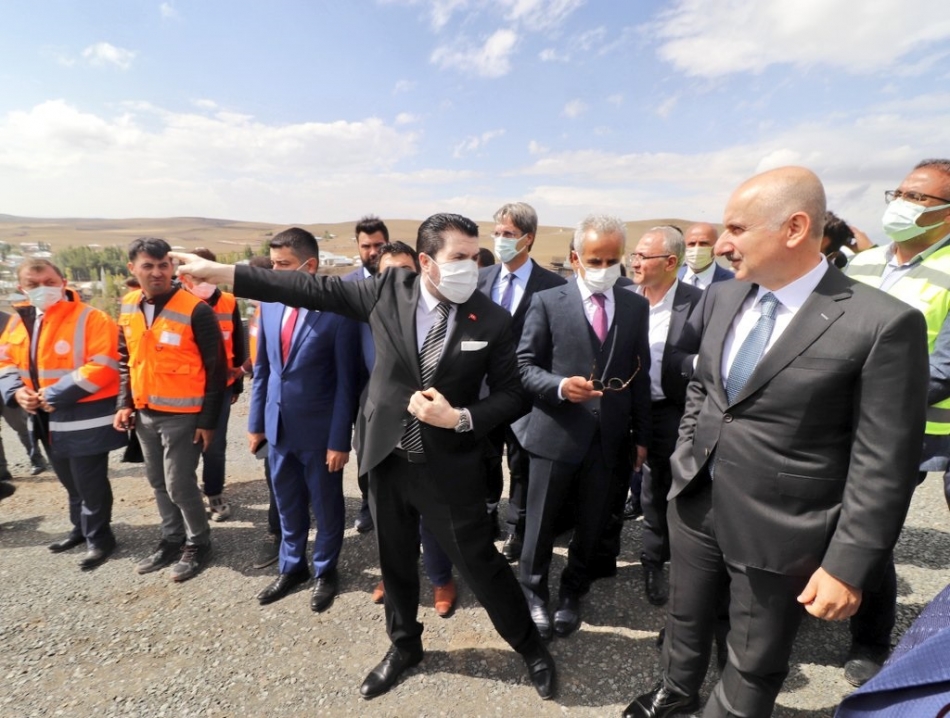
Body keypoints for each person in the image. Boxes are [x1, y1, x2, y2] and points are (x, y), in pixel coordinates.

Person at [172, 212, 556, 702]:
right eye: (457, 257)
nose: (470, 267)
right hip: (386, 459)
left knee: (480, 562)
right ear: (425, 262)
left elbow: (513, 394)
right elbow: (306, 288)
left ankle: (530, 647)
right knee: (394, 561)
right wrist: (222, 273)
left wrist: (460, 417)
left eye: (472, 256)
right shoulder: (387, 291)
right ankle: (404, 646)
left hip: (447, 465)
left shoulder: (492, 318)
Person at [624, 166, 929, 718]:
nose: (722, 244)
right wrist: (687, 454)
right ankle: (676, 690)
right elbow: (705, 388)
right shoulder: (723, 298)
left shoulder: (881, 323)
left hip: (783, 526)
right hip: (695, 501)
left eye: (737, 229)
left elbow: (883, 462)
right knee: (686, 617)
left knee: (753, 657)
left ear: (794, 228)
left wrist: (847, 566)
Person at [515, 214, 651, 640]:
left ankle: (573, 590)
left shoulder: (634, 305)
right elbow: (524, 367)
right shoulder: (547, 302)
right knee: (540, 524)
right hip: (555, 434)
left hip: (609, 439)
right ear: (575, 258)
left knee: (592, 522)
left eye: (613, 260)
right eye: (595, 260)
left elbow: (640, 374)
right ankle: (533, 592)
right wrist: (559, 387)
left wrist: (641, 436)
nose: (604, 269)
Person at [842, 158, 950, 685]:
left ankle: (870, 639)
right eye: (900, 193)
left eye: (919, 198)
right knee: (824, 518)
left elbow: (944, 368)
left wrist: (863, 398)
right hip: (839, 420)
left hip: (909, 432)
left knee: (871, 528)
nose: (903, 204)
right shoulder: (861, 264)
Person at [250, 228, 360, 611]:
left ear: (309, 267)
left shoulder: (337, 313)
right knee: (287, 502)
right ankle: (292, 566)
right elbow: (263, 370)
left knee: (326, 506)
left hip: (319, 434)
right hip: (278, 429)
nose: (274, 272)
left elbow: (346, 383)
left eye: (283, 265)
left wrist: (339, 441)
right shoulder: (269, 305)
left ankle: (325, 571)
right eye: (273, 264)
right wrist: (256, 423)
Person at [0, 259, 126, 569]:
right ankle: (80, 529)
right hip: (43, 418)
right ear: (22, 288)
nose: (42, 289)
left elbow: (104, 364)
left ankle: (100, 538)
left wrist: (53, 394)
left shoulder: (91, 318)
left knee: (89, 481)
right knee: (69, 480)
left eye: (49, 282)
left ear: (63, 282)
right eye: (33, 284)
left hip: (83, 416)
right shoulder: (18, 323)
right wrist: (16, 392)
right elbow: (5, 361)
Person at [115, 237, 226, 582]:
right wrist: (124, 403)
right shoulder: (128, 305)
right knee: (158, 481)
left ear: (173, 268)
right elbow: (125, 359)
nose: (157, 272)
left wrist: (208, 421)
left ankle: (198, 542)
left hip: (184, 416)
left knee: (179, 484)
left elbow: (216, 369)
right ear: (133, 268)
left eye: (163, 265)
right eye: (148, 266)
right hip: (145, 413)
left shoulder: (196, 310)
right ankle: (171, 538)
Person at [367, 241, 458, 618]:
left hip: (431, 439)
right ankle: (392, 577)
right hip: (381, 438)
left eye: (405, 271)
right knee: (388, 520)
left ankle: (440, 578)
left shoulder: (436, 317)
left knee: (432, 518)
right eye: (388, 273)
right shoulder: (367, 313)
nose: (397, 280)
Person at [476, 201, 566, 563]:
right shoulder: (481, 280)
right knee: (484, 459)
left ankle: (518, 527)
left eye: (508, 233)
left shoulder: (552, 286)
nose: (500, 239)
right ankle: (486, 517)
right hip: (483, 391)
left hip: (527, 396)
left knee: (522, 465)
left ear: (528, 238)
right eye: (497, 232)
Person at [628, 227, 703, 607]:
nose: (635, 263)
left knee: (661, 489)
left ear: (670, 262)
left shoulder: (700, 303)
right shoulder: (625, 298)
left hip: (672, 411)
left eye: (643, 257)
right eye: (634, 255)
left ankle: (657, 561)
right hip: (626, 408)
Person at [184, 247, 247, 523]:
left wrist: (237, 385)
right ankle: (186, 495)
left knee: (215, 444)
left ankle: (214, 493)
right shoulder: (175, 303)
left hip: (221, 385)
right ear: (185, 276)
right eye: (196, 276)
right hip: (184, 387)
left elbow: (238, 344)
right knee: (184, 445)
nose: (202, 281)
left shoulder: (229, 302)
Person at [346, 215, 389, 534]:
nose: (373, 251)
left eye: (379, 245)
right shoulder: (346, 286)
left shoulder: (405, 281)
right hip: (357, 385)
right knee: (364, 451)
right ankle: (367, 503)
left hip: (396, 386)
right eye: (366, 246)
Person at [243, 254, 283, 570]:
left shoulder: (288, 309)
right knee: (273, 475)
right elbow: (260, 366)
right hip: (268, 405)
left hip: (293, 407)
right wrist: (255, 423)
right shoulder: (260, 312)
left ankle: (280, 529)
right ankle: (276, 531)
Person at [678, 222, 734, 288]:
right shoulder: (671, 277)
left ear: (715, 247)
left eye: (703, 243)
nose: (697, 249)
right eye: (692, 244)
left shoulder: (732, 281)